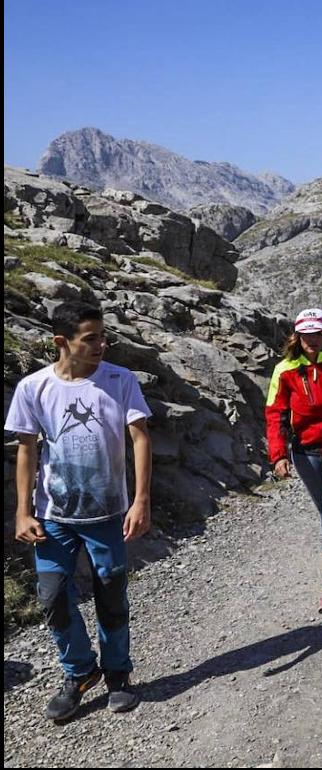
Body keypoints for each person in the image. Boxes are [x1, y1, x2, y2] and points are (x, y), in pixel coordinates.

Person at [6, 301, 152, 721]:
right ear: (61, 342)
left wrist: (140, 500)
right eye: (90, 338)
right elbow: (26, 449)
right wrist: (23, 511)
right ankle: (80, 671)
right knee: (52, 597)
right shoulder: (33, 388)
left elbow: (139, 437)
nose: (101, 345)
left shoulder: (120, 380)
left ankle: (118, 674)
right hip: (54, 515)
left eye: (103, 336)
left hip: (108, 514)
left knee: (111, 596)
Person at [266, 308, 322, 618]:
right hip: (306, 452)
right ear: (297, 336)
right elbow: (275, 414)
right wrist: (278, 455)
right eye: (306, 333)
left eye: (318, 332)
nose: (312, 339)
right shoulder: (285, 370)